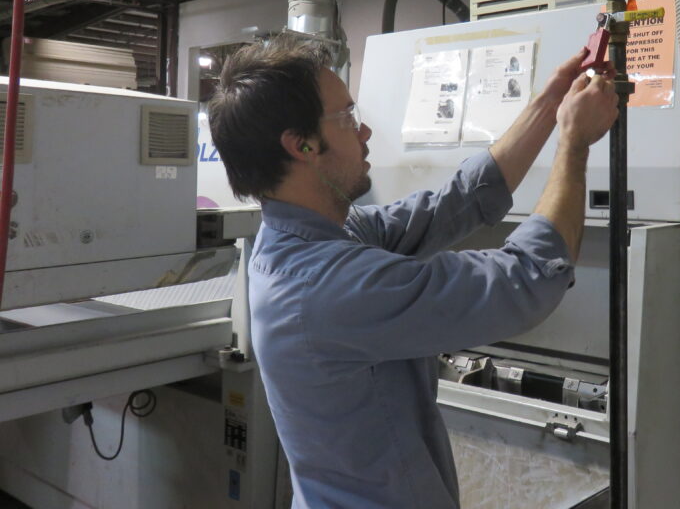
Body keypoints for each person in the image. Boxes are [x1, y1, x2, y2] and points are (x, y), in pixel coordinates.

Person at [208, 34, 618, 509]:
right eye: (347, 118)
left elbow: (454, 202)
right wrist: (574, 144)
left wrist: (551, 105)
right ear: (302, 146)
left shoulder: (310, 238)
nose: (364, 133)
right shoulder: (326, 285)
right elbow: (525, 280)